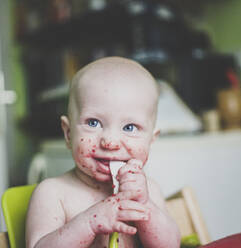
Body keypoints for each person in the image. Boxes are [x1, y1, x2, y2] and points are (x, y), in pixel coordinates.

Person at [25, 56, 181, 248]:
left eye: (130, 127)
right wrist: (89, 223)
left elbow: (170, 246)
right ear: (68, 133)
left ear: (151, 140)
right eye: (93, 123)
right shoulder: (53, 193)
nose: (110, 142)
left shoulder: (148, 191)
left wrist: (145, 206)